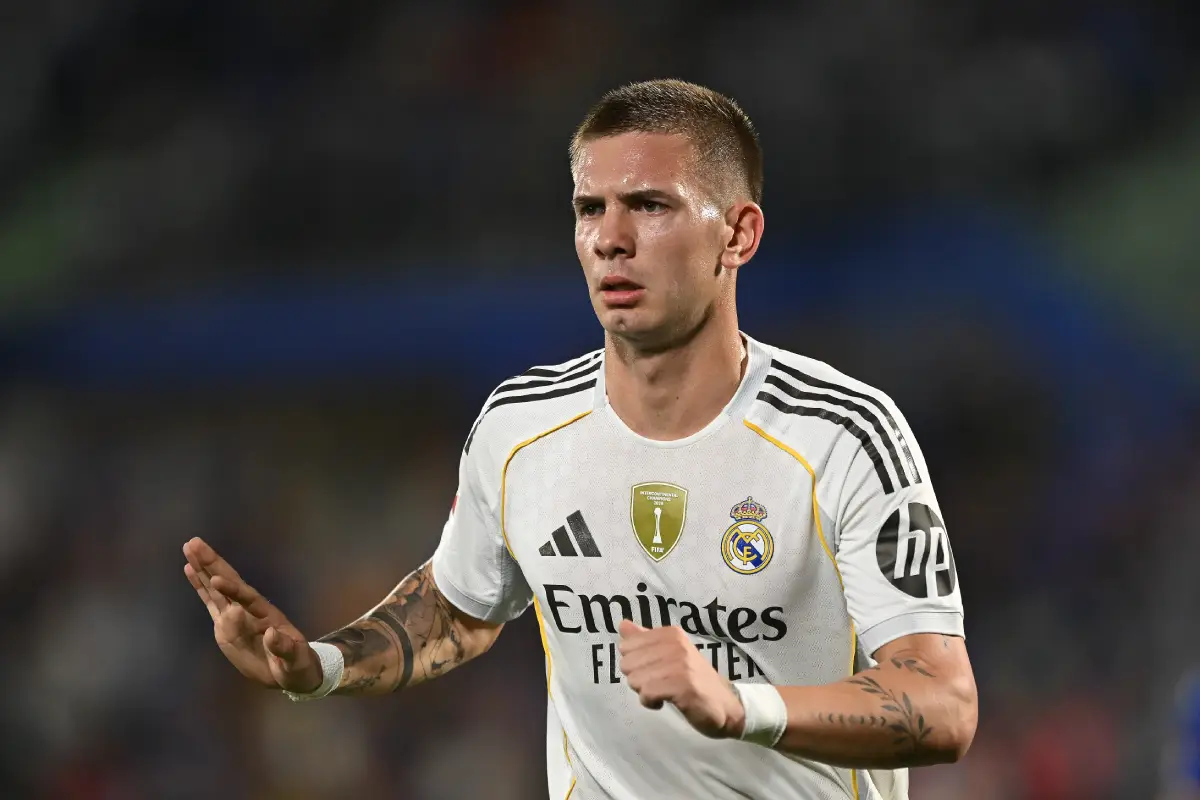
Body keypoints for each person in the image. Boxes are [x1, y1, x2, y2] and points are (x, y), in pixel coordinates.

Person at [183, 78, 978, 799]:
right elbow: (461, 611)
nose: (610, 239)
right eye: (590, 209)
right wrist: (317, 668)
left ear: (738, 235)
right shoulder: (520, 427)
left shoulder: (842, 434)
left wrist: (740, 706)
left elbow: (943, 702)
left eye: (651, 205)